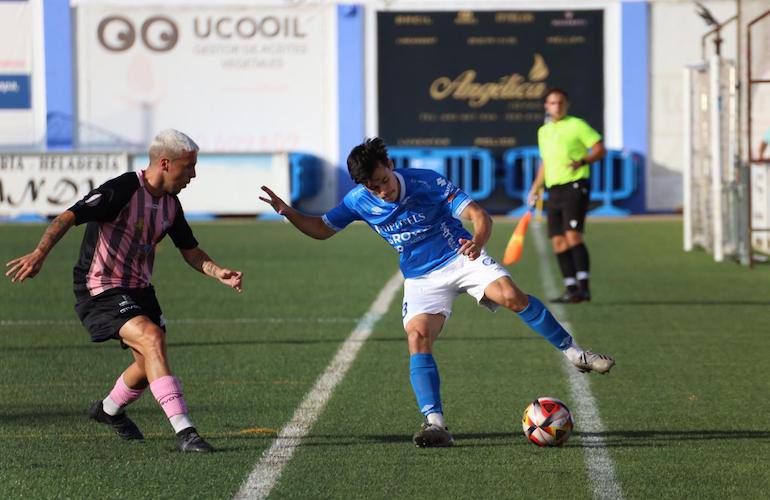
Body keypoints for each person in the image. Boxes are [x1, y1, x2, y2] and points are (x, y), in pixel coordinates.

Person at [260, 137, 614, 448]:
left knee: (511, 295)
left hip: (460, 255)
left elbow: (479, 215)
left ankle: (575, 354)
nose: (382, 191)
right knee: (418, 336)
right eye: (373, 187)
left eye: (383, 181)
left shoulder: (425, 181)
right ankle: (436, 425)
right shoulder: (358, 201)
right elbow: (322, 229)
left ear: (390, 165)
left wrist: (476, 243)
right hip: (421, 278)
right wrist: (288, 212)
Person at [5, 129, 243, 453]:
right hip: (100, 286)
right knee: (152, 339)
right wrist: (39, 253)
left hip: (140, 289)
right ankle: (185, 432)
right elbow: (67, 216)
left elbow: (190, 250)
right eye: (188, 167)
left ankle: (108, 410)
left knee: (148, 365)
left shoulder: (171, 205)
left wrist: (218, 272)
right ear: (164, 163)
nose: (194, 174)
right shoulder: (122, 190)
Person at [527, 88, 605, 304]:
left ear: (566, 104)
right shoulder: (544, 131)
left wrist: (582, 162)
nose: (557, 106)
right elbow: (545, 162)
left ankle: (584, 287)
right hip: (554, 189)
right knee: (558, 240)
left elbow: (599, 149)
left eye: (560, 102)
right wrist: (535, 187)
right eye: (552, 103)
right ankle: (571, 288)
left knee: (572, 235)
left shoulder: (577, 125)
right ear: (546, 106)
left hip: (575, 184)